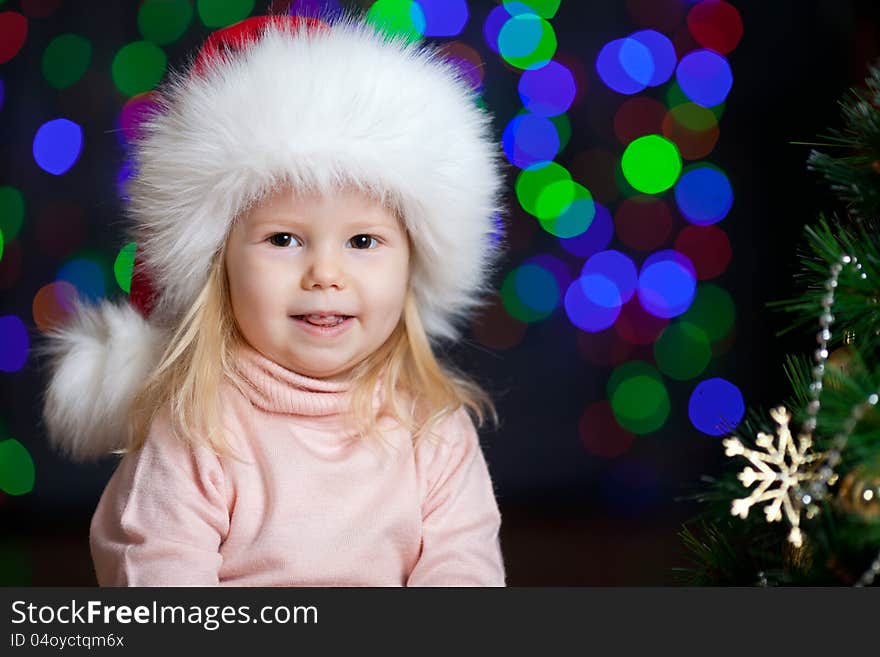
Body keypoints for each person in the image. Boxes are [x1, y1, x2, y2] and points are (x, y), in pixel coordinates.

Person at [37, 9, 509, 586]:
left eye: (363, 240)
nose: (325, 274)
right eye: (283, 239)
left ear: (413, 265)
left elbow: (464, 572)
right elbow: (159, 579)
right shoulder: (197, 428)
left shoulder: (432, 429)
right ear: (220, 265)